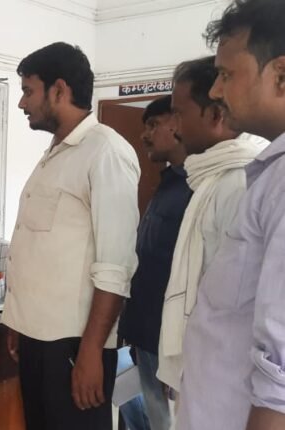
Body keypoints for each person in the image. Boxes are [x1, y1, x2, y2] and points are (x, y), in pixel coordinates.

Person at [2, 42, 140, 430]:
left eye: (28, 91)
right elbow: (40, 249)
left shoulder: (106, 151)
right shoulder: (55, 154)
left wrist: (92, 351)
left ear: (59, 90)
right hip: (37, 338)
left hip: (74, 344)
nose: (22, 103)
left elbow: (115, 265)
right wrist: (18, 320)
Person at [177, 1, 285, 429]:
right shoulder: (269, 173)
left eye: (227, 74)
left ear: (281, 74)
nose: (217, 91)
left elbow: (281, 369)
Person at [156, 56, 262, 396]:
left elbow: (238, 303)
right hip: (202, 364)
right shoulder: (209, 178)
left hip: (223, 373)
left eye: (179, 113)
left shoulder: (239, 183)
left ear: (215, 114)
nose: (174, 126)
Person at [118, 95, 189, 430]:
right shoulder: (170, 182)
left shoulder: (197, 186)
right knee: (146, 417)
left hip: (169, 342)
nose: (144, 135)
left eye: (153, 125)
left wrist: (178, 356)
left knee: (166, 423)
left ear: (178, 123)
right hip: (145, 334)